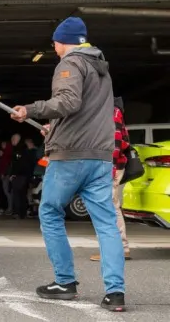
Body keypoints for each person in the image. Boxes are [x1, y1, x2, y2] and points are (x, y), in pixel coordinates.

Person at [11, 16, 125, 312]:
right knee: (107, 224)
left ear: (65, 41)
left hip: (71, 158)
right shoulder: (101, 69)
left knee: (49, 211)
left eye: (55, 41)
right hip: (100, 157)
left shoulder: (70, 63)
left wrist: (31, 109)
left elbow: (68, 102)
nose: (54, 46)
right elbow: (86, 113)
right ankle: (115, 293)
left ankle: (65, 282)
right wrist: (55, 129)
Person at [91, 97, 131, 262]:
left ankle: (118, 248)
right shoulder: (112, 110)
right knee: (111, 205)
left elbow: (115, 142)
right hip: (111, 165)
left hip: (111, 166)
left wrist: (111, 168)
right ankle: (119, 247)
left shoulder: (112, 112)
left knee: (109, 206)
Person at [9, 134, 36, 220]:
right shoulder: (27, 151)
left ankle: (17, 212)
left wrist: (13, 174)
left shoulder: (19, 150)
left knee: (17, 194)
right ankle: (22, 213)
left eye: (13, 139)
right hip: (25, 175)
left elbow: (18, 164)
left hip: (20, 176)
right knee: (23, 195)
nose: (12, 141)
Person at [0, 138, 14, 215]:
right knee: (7, 192)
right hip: (5, 175)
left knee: (8, 192)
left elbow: (6, 165)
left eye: (3, 144)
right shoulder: (5, 154)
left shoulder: (7, 154)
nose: (2, 146)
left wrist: (3, 173)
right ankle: (9, 208)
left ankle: (10, 208)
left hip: (7, 175)